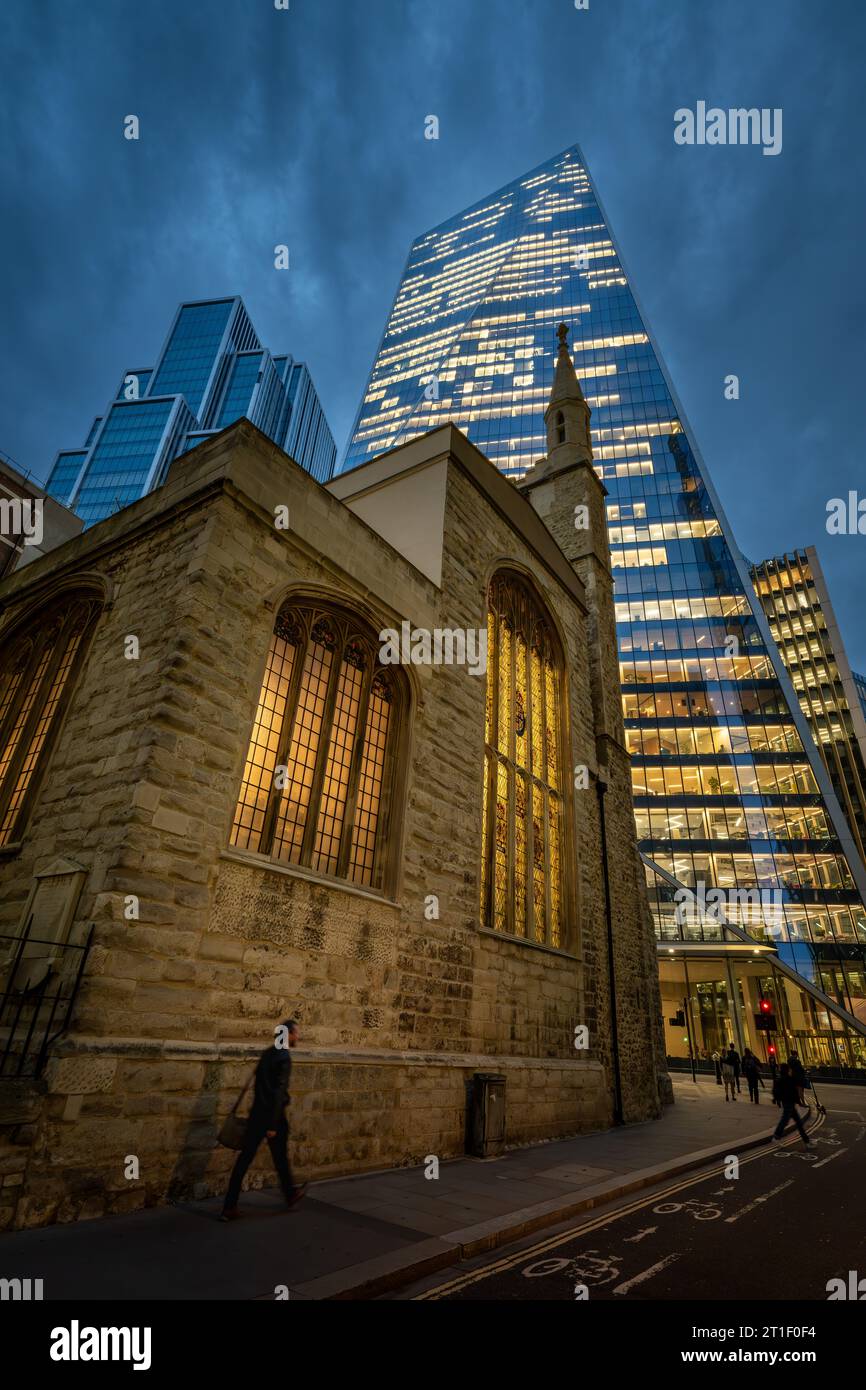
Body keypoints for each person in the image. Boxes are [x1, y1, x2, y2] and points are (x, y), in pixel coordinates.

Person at [220, 1019, 307, 1221]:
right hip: (272, 1118)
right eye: (296, 1033)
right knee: (280, 1158)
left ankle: (229, 1206)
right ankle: (291, 1194)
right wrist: (273, 1125)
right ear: (289, 1034)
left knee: (245, 1160)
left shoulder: (268, 1053)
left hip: (256, 1115)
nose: (298, 1036)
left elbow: (260, 1087)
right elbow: (277, 1093)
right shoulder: (283, 1057)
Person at [772, 1063, 811, 1147]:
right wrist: (799, 1102)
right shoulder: (789, 1079)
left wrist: (776, 1099)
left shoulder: (780, 1079)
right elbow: (794, 1092)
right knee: (785, 1121)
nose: (791, 1070)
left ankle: (807, 1141)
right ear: (787, 1070)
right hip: (789, 1103)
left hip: (788, 1103)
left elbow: (776, 1091)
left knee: (798, 1123)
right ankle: (776, 1136)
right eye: (789, 1069)